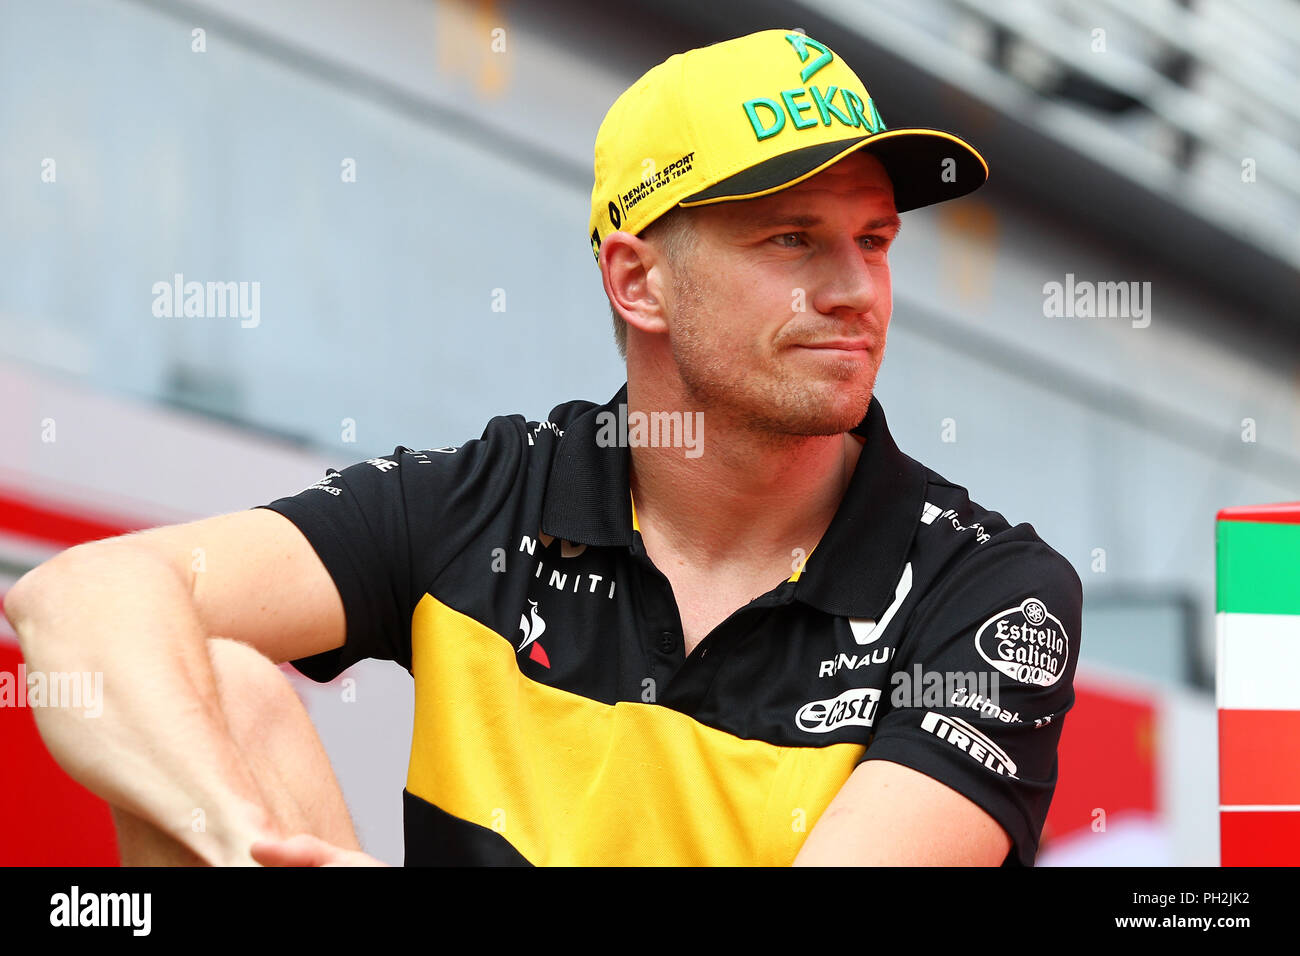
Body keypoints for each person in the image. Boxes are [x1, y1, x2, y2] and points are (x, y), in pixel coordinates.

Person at [5, 28, 1081, 867]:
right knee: (219, 689)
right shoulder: (489, 498)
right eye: (791, 237)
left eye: (874, 241)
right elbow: (77, 599)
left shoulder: (988, 589)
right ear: (636, 280)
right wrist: (241, 835)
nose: (854, 291)